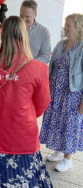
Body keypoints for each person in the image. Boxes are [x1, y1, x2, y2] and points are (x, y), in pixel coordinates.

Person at [0, 16, 53, 187]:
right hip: (20, 139)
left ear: (3, 34)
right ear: (24, 34)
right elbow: (42, 105)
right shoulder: (38, 68)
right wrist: (21, 113)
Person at [40, 13, 83, 172]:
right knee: (57, 122)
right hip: (56, 93)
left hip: (72, 95)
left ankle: (68, 158)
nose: (65, 27)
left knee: (70, 125)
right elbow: (52, 66)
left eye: (68, 25)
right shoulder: (60, 44)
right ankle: (59, 151)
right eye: (65, 24)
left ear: (78, 27)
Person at [20, 0, 51, 64]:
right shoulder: (13, 27)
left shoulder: (44, 32)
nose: (23, 19)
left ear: (35, 15)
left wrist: (29, 63)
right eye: (21, 16)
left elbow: (45, 56)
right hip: (12, 68)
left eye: (27, 17)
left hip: (31, 70)